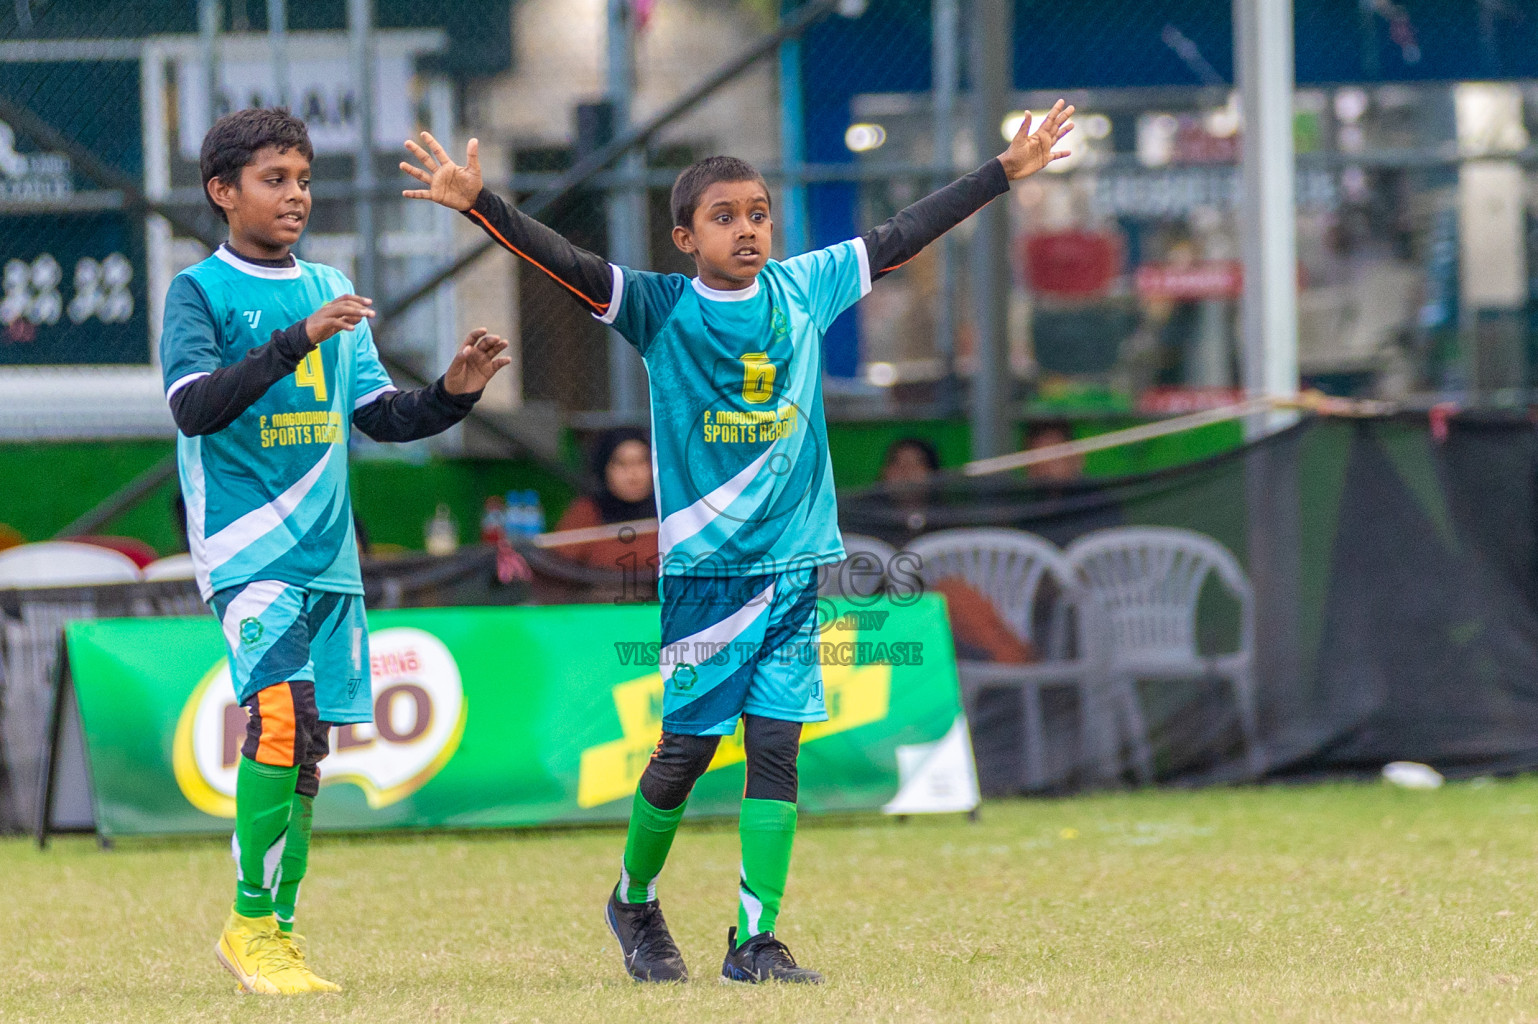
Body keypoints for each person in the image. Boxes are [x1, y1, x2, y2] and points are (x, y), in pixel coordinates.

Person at [400, 100, 1074, 985]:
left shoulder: (807, 286)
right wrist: (481, 203)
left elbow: (905, 231)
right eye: (724, 218)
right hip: (710, 578)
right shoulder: (658, 308)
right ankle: (632, 898)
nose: (748, 230)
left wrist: (1002, 172)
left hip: (796, 568)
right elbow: (563, 261)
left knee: (778, 749)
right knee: (682, 755)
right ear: (685, 237)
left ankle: (754, 941)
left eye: (758, 213)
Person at [162, 107, 509, 995]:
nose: (296, 196)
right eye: (275, 179)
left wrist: (453, 394)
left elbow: (380, 418)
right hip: (246, 550)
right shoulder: (197, 292)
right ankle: (247, 923)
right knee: (277, 720)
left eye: (305, 179)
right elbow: (195, 408)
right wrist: (296, 339)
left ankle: (278, 934)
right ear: (222, 191)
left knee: (307, 744)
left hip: (328, 556)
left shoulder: (329, 281)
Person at [551, 427, 659, 573]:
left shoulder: (669, 512)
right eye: (622, 464)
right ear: (604, 468)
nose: (633, 474)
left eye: (641, 462)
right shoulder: (587, 513)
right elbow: (557, 567)